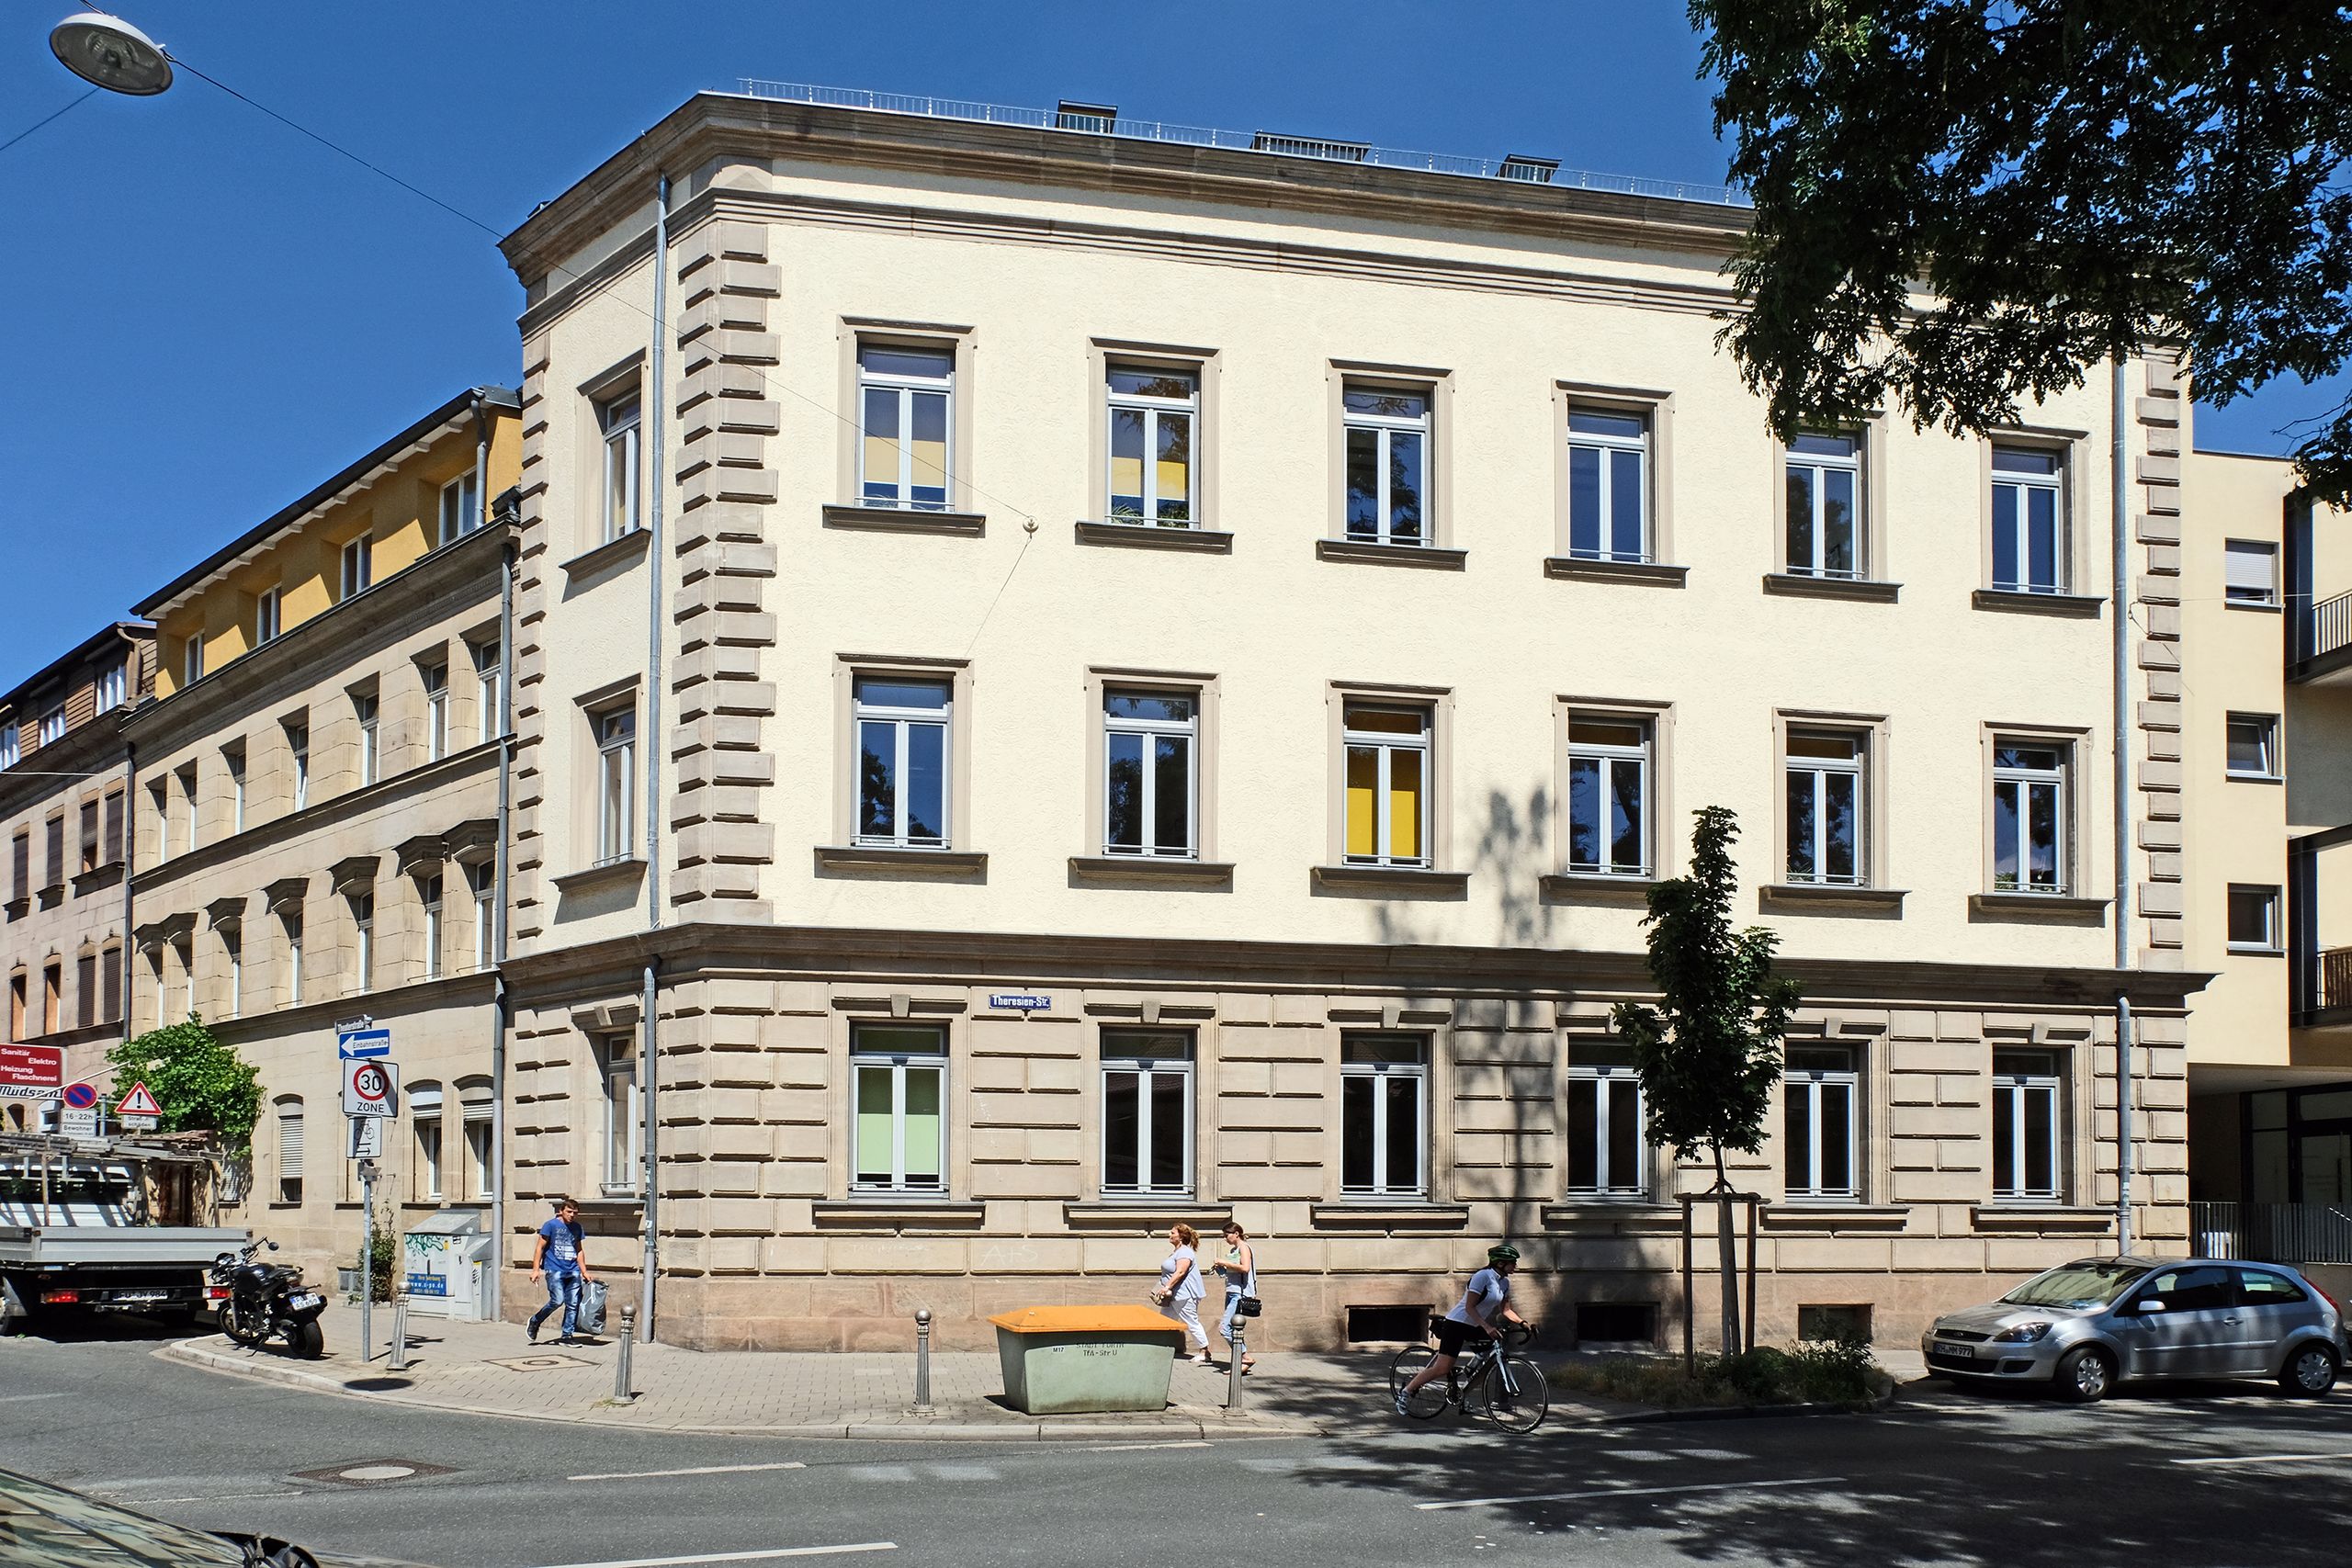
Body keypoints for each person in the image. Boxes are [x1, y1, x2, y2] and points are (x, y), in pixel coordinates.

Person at [1396, 1243, 1528, 1414]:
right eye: (1513, 1262)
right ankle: (1405, 1392)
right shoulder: (1483, 1277)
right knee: (1442, 1368)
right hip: (1456, 1324)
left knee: (1489, 1357)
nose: (1516, 1265)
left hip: (1474, 1325)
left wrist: (1523, 1323)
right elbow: (1469, 1307)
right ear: (1501, 1263)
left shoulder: (1504, 1283)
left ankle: (1462, 1388)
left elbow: (1506, 1310)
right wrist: (1487, 1327)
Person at [527, 1196, 594, 1344]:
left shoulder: (577, 1228)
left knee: (573, 1303)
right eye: (569, 1212)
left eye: (575, 1213)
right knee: (557, 1300)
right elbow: (540, 1248)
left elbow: (579, 1250)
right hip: (554, 1269)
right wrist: (535, 1270)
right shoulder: (550, 1225)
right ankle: (535, 1320)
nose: (572, 1215)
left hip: (573, 1270)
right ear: (561, 1211)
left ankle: (567, 1336)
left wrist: (584, 1271)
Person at [1150, 1222, 1213, 1364]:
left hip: (1184, 1295)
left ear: (1181, 1236)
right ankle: (1161, 1348)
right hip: (1174, 1296)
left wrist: (1167, 1286)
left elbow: (1180, 1272)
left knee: (1191, 1322)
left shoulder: (1185, 1252)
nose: (1169, 1235)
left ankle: (1204, 1351)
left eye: (1173, 1233)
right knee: (1165, 1321)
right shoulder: (1177, 1252)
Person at [1211, 1220, 1258, 1373]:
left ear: (1236, 1234)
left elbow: (1245, 1268)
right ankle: (1240, 1362)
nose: (1225, 1238)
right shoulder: (1233, 1250)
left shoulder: (1244, 1247)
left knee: (1224, 1328)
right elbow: (1232, 1272)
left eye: (1227, 1235)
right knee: (1235, 1329)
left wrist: (1224, 1262)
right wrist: (1221, 1268)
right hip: (1231, 1291)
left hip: (1240, 1293)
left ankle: (1245, 1357)